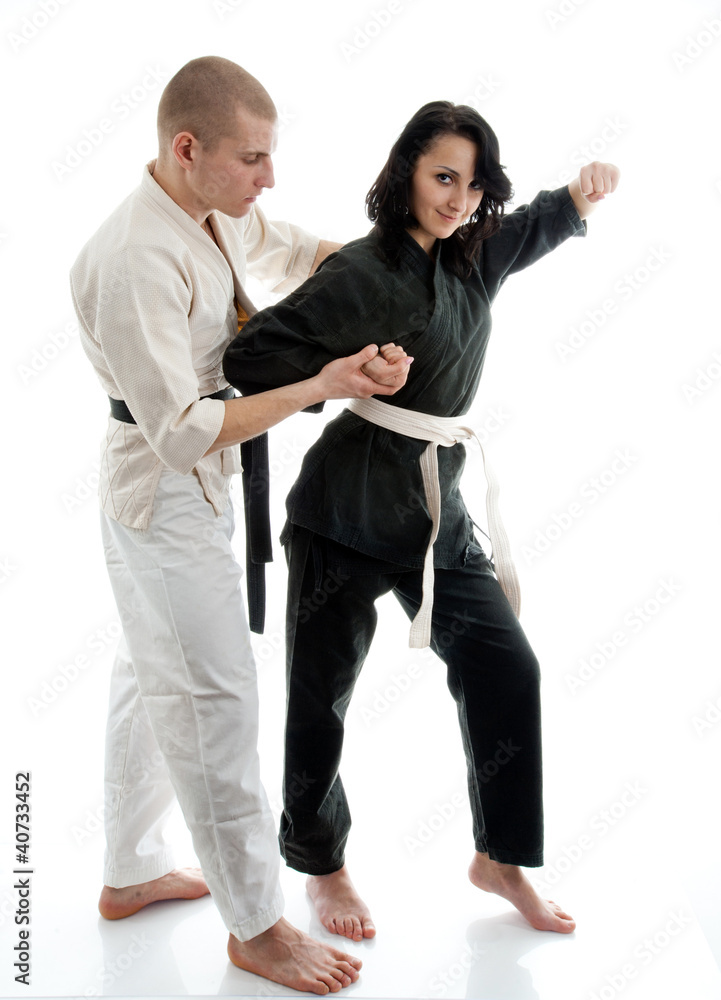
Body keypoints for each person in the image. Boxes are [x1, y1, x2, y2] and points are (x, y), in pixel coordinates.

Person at [223, 100, 620, 943]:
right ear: (406, 170)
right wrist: (346, 371)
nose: (457, 200)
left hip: (436, 515)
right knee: (319, 701)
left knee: (505, 667)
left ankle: (500, 858)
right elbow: (250, 357)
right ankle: (321, 865)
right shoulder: (360, 272)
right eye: (443, 177)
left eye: (472, 186)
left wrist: (578, 198)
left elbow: (532, 227)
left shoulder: (473, 257)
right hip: (340, 515)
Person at [69, 56, 410, 994]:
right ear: (188, 148)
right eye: (252, 157)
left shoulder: (206, 209)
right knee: (212, 700)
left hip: (197, 487)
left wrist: (391, 270)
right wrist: (323, 382)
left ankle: (131, 871)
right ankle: (256, 928)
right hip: (162, 490)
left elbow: (290, 245)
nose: (268, 176)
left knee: (148, 673)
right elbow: (181, 432)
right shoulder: (134, 258)